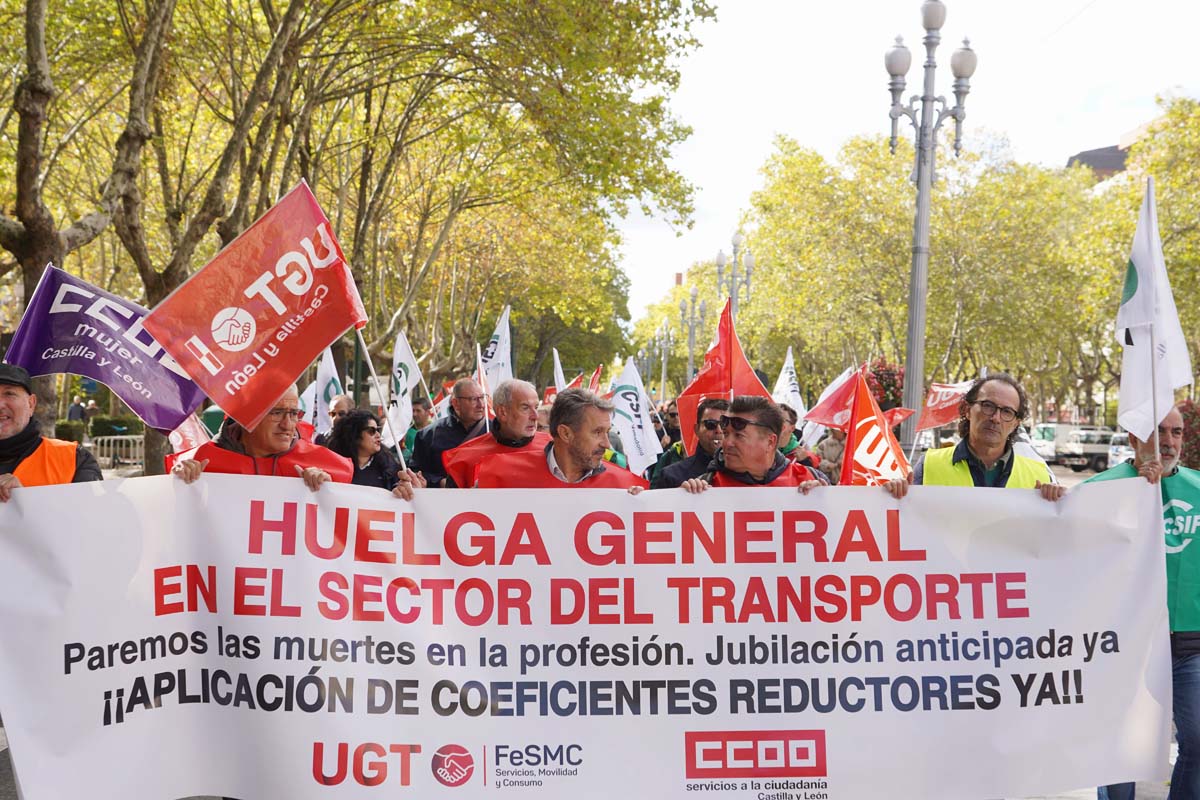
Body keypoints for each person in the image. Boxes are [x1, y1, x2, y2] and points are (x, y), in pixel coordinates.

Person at [1093, 406, 1194, 800]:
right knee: (1120, 750)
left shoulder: (1198, 489)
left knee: (1198, 741)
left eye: (1177, 432)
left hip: (1189, 644)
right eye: (1158, 432)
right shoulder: (1100, 489)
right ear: (1135, 439)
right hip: (1123, 644)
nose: (1169, 442)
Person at [883, 373, 1064, 502]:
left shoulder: (1039, 474)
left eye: (1007, 412)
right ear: (967, 410)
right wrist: (893, 497)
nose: (995, 417)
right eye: (987, 406)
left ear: (1016, 423)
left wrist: (1058, 501)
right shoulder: (929, 465)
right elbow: (906, 525)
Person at [171, 385, 357, 492]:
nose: (288, 425)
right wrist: (176, 484)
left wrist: (330, 494)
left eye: (293, 413)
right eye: (276, 413)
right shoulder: (202, 462)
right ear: (247, 417)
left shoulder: (323, 465)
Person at [475, 388, 648, 490]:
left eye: (607, 432)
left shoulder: (623, 486)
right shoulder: (501, 477)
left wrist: (640, 506)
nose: (607, 443)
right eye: (597, 432)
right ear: (565, 434)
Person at [680, 396, 827, 493]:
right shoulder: (704, 486)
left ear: (770, 442)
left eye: (739, 435)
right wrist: (682, 503)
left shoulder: (809, 479)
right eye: (726, 434)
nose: (727, 443)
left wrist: (825, 501)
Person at [0, 364, 101, 501]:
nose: (0, 404)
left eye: (9, 394)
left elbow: (92, 517)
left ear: (31, 404)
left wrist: (25, 502)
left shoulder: (74, 459)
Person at [442, 380, 549, 487]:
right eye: (525, 408)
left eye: (536, 407)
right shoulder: (464, 459)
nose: (535, 416)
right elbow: (452, 503)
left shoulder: (553, 448)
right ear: (502, 412)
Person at [411, 377, 489, 487]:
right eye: (473, 399)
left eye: (482, 398)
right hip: (443, 500)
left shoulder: (495, 431)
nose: (481, 405)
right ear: (456, 403)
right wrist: (439, 482)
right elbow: (416, 473)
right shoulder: (428, 435)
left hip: (485, 500)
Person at [651, 398, 728, 489]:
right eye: (710, 424)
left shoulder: (746, 474)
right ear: (697, 429)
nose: (719, 430)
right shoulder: (671, 476)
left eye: (725, 424)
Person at [327, 409, 404, 490]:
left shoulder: (389, 467)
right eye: (371, 431)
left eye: (378, 430)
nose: (378, 435)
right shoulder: (334, 465)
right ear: (355, 435)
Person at [778, 402, 820, 469]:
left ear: (792, 428)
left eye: (781, 420)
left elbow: (816, 477)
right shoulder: (761, 448)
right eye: (773, 419)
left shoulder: (806, 456)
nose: (775, 422)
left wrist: (805, 461)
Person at [401, 395, 434, 463]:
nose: (414, 414)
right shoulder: (406, 433)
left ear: (427, 412)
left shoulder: (436, 431)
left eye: (418, 411)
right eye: (413, 411)